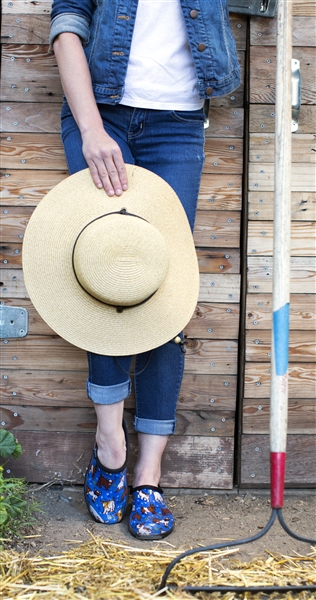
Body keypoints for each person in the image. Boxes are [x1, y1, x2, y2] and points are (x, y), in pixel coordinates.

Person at [49, 0, 240, 539]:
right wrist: (89, 128)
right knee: (108, 275)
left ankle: (149, 474)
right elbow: (66, 26)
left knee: (164, 291)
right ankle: (111, 449)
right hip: (100, 111)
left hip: (178, 125)